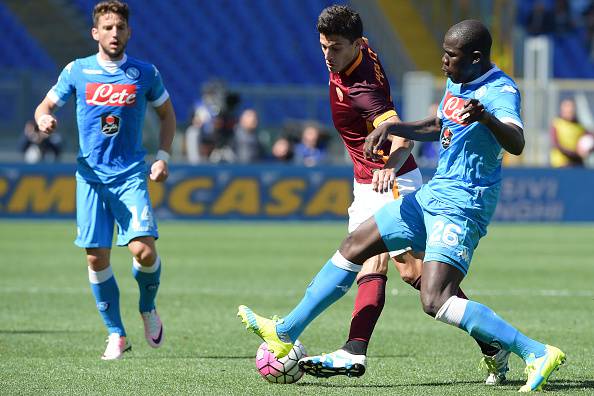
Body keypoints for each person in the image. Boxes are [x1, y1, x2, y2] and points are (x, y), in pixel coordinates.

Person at [241, 19, 566, 392]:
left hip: (463, 204)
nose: (443, 62)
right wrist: (395, 129)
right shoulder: (458, 79)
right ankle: (285, 330)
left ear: (476, 58)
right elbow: (437, 125)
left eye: (451, 56)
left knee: (434, 298)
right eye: (444, 54)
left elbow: (518, 142)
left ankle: (536, 352)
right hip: (434, 194)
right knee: (356, 245)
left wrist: (487, 118)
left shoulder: (500, 91)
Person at [34, 0, 175, 360]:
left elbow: (167, 115)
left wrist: (163, 157)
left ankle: (147, 306)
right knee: (96, 259)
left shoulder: (145, 73)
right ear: (95, 32)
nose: (114, 33)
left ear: (129, 32)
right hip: (91, 177)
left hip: (129, 174)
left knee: (143, 250)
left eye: (120, 28)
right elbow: (45, 106)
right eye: (107, 28)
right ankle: (116, 334)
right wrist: (43, 119)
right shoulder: (77, 71)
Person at [550, 98, 589, 167]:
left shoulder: (579, 127)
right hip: (561, 165)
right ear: (562, 109)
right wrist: (575, 154)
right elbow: (556, 144)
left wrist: (587, 150)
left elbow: (590, 138)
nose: (569, 109)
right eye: (567, 107)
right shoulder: (556, 123)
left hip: (578, 164)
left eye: (571, 107)